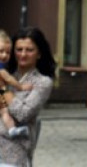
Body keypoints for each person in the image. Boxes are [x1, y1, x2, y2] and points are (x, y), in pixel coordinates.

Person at [0, 27, 55, 167]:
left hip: (13, 153)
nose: (23, 54)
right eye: (19, 49)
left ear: (39, 53)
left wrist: (4, 88)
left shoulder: (42, 82)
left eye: (29, 50)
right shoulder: (7, 74)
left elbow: (22, 113)